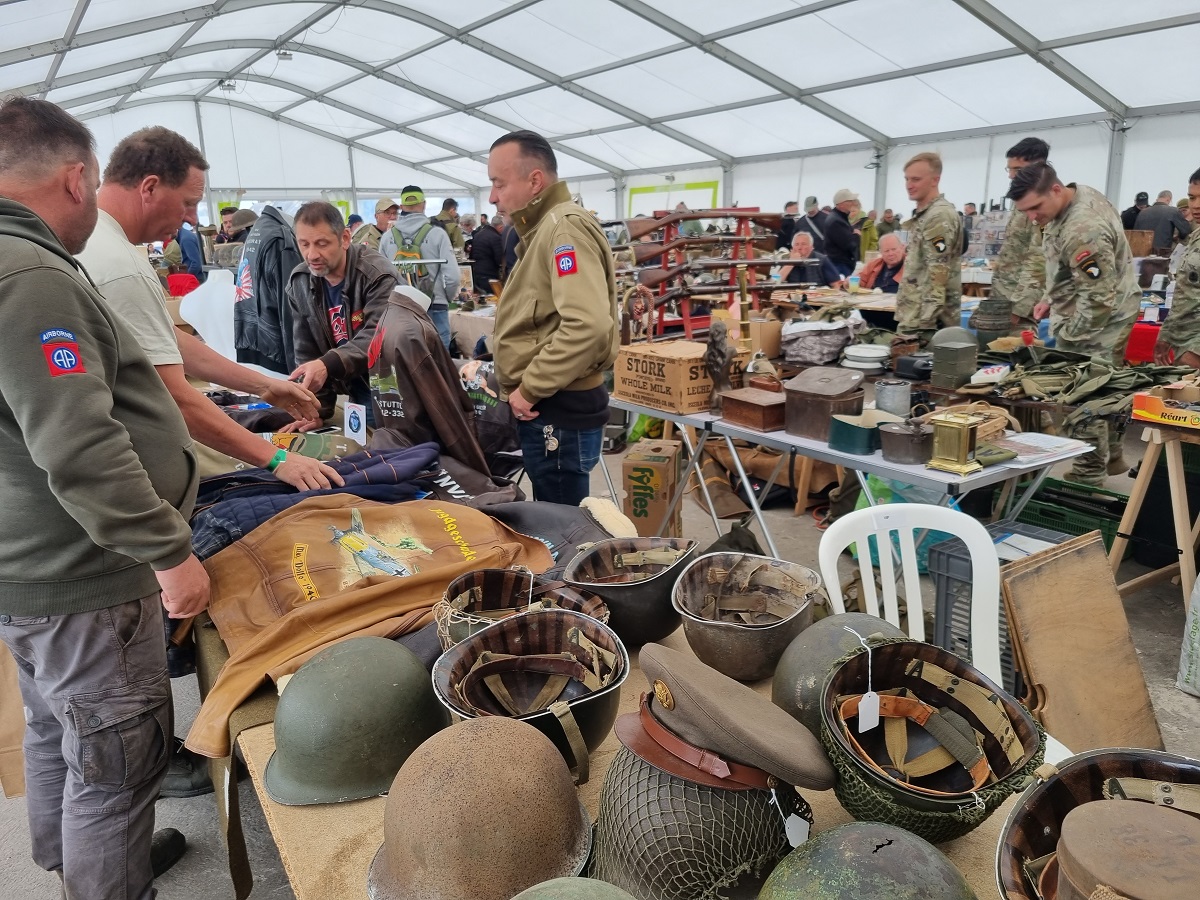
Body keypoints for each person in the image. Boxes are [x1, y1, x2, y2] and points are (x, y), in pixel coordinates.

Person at [0, 94, 210, 900]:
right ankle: (104, 882)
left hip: (35, 569)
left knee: (60, 735)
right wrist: (170, 551)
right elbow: (80, 446)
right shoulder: (30, 276)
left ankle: (76, 868)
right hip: (83, 575)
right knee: (117, 766)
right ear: (76, 178)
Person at [76, 125, 337, 490]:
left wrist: (263, 385)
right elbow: (175, 396)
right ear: (149, 187)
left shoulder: (98, 245)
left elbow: (166, 341)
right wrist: (277, 459)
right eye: (188, 202)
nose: (194, 219)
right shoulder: (121, 267)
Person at [487, 129, 618, 506]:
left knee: (564, 533)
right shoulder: (544, 229)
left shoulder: (563, 229)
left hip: (556, 411)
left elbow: (588, 324)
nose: (494, 196)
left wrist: (530, 388)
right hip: (551, 408)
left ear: (535, 181)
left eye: (499, 183)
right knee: (560, 520)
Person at [1008, 162, 1140, 484]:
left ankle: (1087, 473)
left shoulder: (1083, 228)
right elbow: (1067, 269)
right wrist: (1050, 298)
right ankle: (1115, 455)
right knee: (1109, 385)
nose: (1032, 217)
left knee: (1078, 393)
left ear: (1055, 189)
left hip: (1099, 319)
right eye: (1025, 211)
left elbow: (1097, 299)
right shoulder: (1072, 198)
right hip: (1110, 307)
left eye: (1035, 208)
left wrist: (1066, 338)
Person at [287, 200, 397, 430]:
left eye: (322, 243)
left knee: (382, 447)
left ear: (345, 238)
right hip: (350, 383)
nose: (312, 254)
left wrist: (327, 364)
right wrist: (318, 411)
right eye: (304, 244)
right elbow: (306, 351)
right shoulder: (299, 282)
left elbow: (379, 337)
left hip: (387, 384)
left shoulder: (377, 274)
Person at [379, 185, 460, 348]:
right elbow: (453, 276)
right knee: (439, 366)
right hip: (435, 305)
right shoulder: (438, 234)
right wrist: (445, 298)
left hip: (401, 310)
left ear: (401, 207)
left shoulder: (387, 238)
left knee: (407, 363)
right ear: (424, 204)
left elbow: (380, 278)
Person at [895, 152, 963, 341]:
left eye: (916, 179)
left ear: (935, 180)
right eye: (907, 179)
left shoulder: (938, 216)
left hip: (925, 322)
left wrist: (926, 324)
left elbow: (937, 273)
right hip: (915, 314)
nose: (909, 185)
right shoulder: (926, 214)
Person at [234, 203, 303, 374]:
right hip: (278, 352)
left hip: (257, 344)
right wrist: (298, 366)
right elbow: (290, 305)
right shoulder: (281, 239)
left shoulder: (258, 231)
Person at [992, 137, 1050, 333]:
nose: (1010, 175)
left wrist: (1018, 310)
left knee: (1018, 356)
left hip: (1019, 308)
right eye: (1009, 169)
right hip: (1003, 298)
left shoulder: (1045, 204)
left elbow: (1039, 261)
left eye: (1017, 169)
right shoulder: (1023, 199)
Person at [1155, 168, 1200, 368]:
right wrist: (1168, 334)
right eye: (1192, 198)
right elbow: (1186, 291)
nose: (1196, 206)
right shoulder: (1196, 235)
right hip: (1186, 338)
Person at [1134, 189, 1192, 255]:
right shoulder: (1172, 211)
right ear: (1168, 199)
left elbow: (1135, 234)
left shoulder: (1142, 213)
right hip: (1162, 254)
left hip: (1142, 253)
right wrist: (1177, 237)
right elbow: (1185, 231)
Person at [824, 189, 860, 278]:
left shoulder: (837, 218)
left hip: (838, 264)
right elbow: (850, 244)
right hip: (840, 265)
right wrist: (856, 235)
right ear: (841, 204)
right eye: (850, 201)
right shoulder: (836, 221)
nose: (853, 203)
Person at [470, 212, 504, 294]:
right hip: (490, 274)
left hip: (477, 273)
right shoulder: (495, 237)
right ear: (500, 227)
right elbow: (499, 259)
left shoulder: (478, 234)